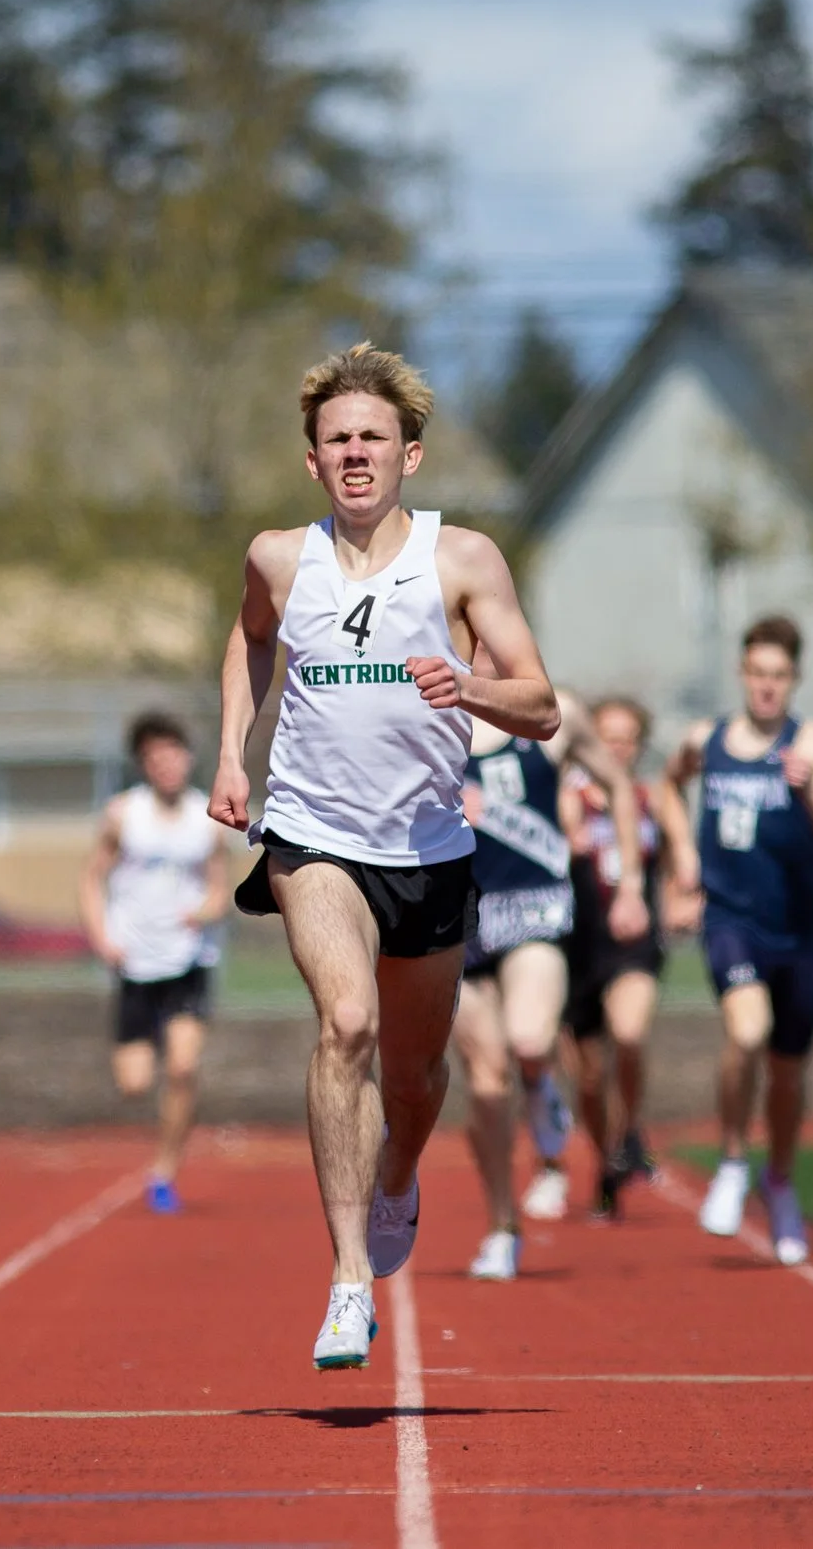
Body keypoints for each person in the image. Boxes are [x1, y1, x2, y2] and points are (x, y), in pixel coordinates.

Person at [211, 341, 562, 1370]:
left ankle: (400, 1174)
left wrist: (469, 686)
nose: (355, 452)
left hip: (430, 853)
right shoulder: (279, 556)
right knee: (346, 1023)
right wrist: (236, 750)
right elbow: (248, 638)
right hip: (313, 836)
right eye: (336, 439)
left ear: (410, 454)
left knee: (413, 1078)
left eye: (373, 436)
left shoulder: (463, 561)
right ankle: (347, 1280)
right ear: (312, 460)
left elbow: (540, 704)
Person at [663, 615, 813, 1266]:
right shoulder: (706, 738)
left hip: (796, 930)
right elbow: (667, 785)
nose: (767, 686)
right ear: (742, 674)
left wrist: (809, 792)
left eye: (779, 676)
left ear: (793, 679)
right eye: (758, 673)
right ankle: (733, 1161)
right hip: (729, 919)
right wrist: (683, 860)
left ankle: (780, 1178)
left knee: (788, 1073)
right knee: (746, 1032)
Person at [451, 679, 648, 1280]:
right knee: (485, 1084)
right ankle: (501, 1227)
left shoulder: (551, 709)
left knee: (531, 1041)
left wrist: (633, 882)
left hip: (532, 908)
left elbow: (614, 782)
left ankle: (540, 1089)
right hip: (451, 918)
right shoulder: (421, 708)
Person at [81, 710, 233, 1214]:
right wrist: (102, 936)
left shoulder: (205, 817)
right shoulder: (123, 814)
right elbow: (90, 879)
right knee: (135, 1083)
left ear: (187, 758)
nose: (166, 765)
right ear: (144, 765)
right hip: (135, 959)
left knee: (184, 1068)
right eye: (155, 758)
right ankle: (158, 1144)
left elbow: (219, 885)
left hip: (189, 958)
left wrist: (207, 910)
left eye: (173, 754)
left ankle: (163, 1171)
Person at [561, 696, 668, 1219]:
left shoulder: (656, 798)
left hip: (632, 945)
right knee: (587, 1075)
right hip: (579, 948)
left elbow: (682, 857)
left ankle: (629, 1132)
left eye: (627, 736)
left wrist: (686, 889)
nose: (618, 746)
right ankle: (607, 1161)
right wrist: (569, 837)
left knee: (629, 1033)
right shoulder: (571, 796)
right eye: (608, 736)